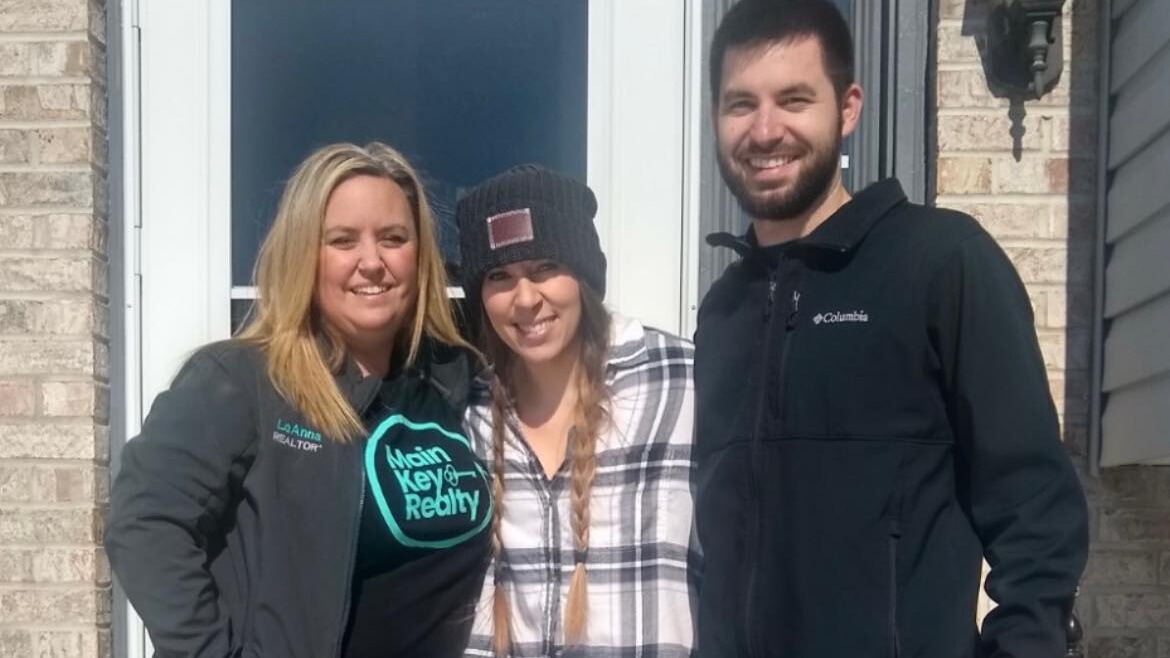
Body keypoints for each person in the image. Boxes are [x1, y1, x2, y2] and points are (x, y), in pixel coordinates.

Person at [694, 2, 1089, 657]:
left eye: (794, 100)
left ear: (847, 109)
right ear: (716, 117)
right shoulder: (724, 311)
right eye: (741, 104)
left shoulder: (939, 264)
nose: (765, 130)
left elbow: (1037, 515)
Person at [105, 142, 492, 658]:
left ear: (420, 256)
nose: (372, 262)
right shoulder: (241, 380)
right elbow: (144, 525)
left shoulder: (452, 382)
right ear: (303, 254)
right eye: (343, 240)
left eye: (393, 238)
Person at [453, 165, 698, 657]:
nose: (526, 299)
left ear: (584, 276)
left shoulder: (681, 381)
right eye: (500, 276)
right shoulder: (468, 411)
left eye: (545, 267)